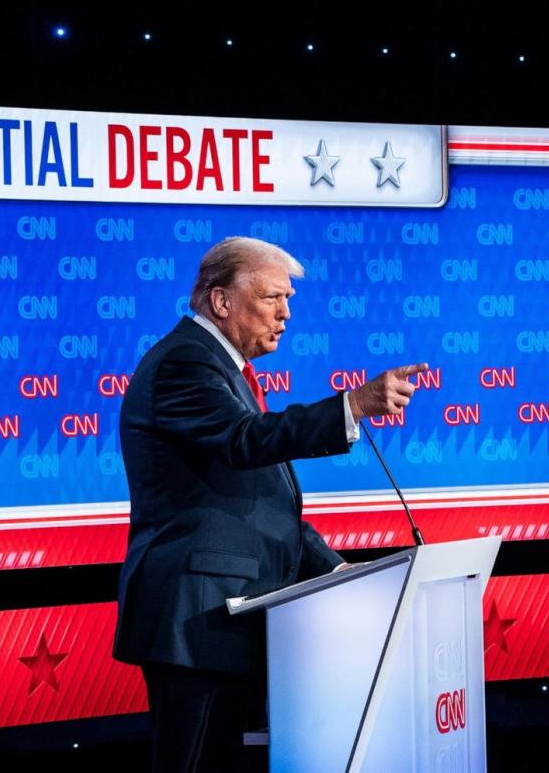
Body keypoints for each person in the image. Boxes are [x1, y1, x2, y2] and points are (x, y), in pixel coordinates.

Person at [113, 236, 427, 772]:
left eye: (288, 301)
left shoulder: (222, 369)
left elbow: (259, 498)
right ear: (220, 301)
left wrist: (336, 569)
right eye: (271, 299)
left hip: (228, 617)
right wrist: (352, 405)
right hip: (199, 620)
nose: (285, 314)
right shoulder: (185, 362)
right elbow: (245, 440)